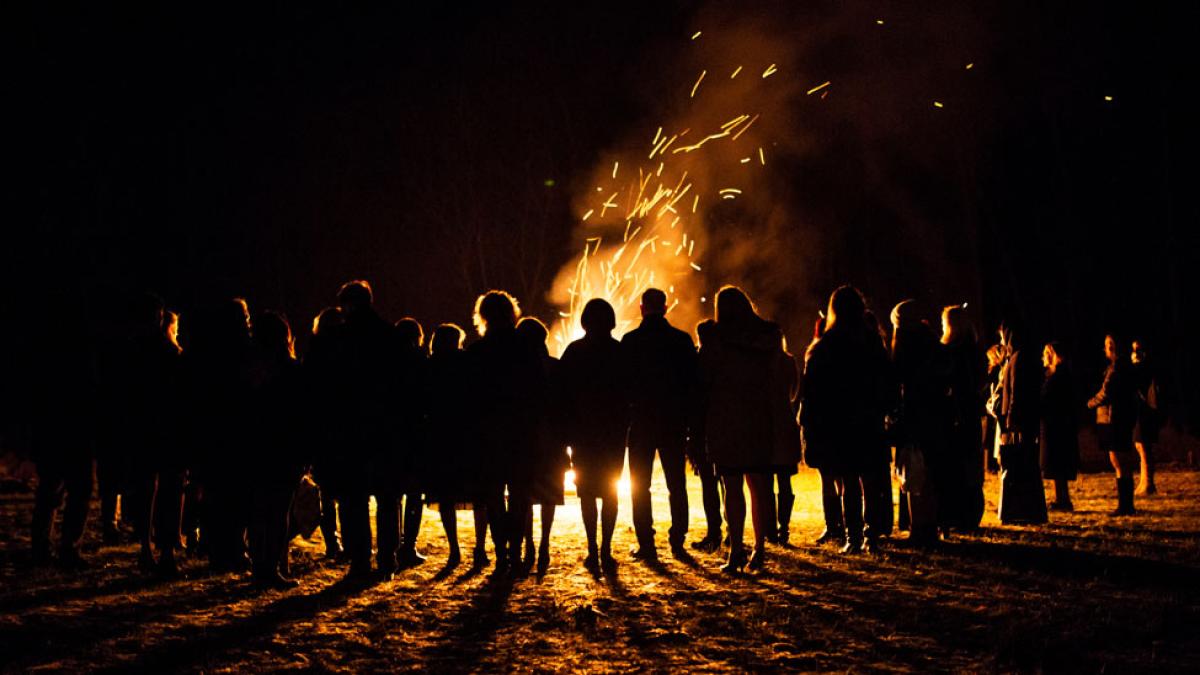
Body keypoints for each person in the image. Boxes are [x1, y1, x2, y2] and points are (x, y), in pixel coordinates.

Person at [700, 286, 796, 572]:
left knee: (732, 487)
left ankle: (735, 551)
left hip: (727, 419)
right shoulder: (769, 337)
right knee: (759, 487)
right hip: (759, 419)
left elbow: (705, 377)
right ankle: (759, 550)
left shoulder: (717, 339)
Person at [801, 286, 891, 554]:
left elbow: (813, 388)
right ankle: (871, 534)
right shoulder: (873, 342)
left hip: (840, 422)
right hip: (869, 419)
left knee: (850, 481)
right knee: (870, 479)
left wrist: (814, 420)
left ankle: (853, 536)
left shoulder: (826, 345)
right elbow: (886, 380)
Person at [466, 290, 544, 572]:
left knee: (494, 496)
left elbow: (469, 400)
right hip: (522, 433)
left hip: (488, 436)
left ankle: (501, 552)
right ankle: (515, 548)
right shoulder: (527, 350)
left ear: (483, 316)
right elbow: (538, 393)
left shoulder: (476, 353)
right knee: (520, 494)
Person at [329, 280, 403, 579]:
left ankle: (359, 560)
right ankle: (387, 559)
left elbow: (325, 387)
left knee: (352, 499)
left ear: (347, 305)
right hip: (385, 428)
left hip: (349, 430)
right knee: (387, 498)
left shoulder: (337, 339)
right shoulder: (391, 336)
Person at [621, 288, 697, 562]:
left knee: (639, 484)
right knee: (676, 483)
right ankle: (678, 538)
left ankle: (646, 542)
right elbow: (692, 384)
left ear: (642, 308)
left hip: (640, 422)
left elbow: (623, 386)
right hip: (673, 421)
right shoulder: (681, 340)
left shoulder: (630, 341)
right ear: (665, 308)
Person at [182, 297, 258, 573]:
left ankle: (216, 549)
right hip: (238, 431)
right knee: (238, 495)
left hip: (210, 432)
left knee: (215, 494)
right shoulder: (247, 350)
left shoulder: (205, 351)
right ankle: (235, 550)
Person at [559, 299, 626, 573]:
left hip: (582, 432)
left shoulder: (574, 351)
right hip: (612, 432)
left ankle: (592, 549)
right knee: (610, 491)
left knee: (586, 492)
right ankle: (606, 549)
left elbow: (560, 392)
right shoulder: (619, 351)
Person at [247, 311, 305, 589]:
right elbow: (302, 414)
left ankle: (259, 566)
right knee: (279, 510)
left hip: (256, 445)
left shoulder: (249, 368)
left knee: (258, 509)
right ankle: (270, 566)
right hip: (284, 447)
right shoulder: (291, 369)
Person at [424, 323, 478, 568]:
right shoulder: (468, 363)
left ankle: (454, 547)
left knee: (446, 495)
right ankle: (480, 547)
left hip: (439, 436)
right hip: (467, 435)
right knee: (478, 494)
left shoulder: (430, 365)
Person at [516, 317, 567, 575]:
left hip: (524, 440)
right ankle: (545, 542)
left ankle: (529, 545)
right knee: (549, 495)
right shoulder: (555, 367)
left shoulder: (515, 370)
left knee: (523, 495)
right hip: (552, 440)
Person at [890, 300, 943, 545]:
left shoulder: (905, 349)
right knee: (928, 473)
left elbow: (898, 383)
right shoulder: (934, 345)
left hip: (914, 418)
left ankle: (920, 528)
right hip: (934, 418)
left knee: (913, 474)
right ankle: (929, 525)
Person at [988, 319, 1047, 525]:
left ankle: (1024, 510)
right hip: (1022, 419)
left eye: (1003, 336)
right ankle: (1027, 510)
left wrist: (1012, 418)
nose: (1001, 340)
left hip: (1019, 421)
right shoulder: (1020, 356)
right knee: (1024, 465)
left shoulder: (1018, 358)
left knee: (1021, 465)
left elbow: (1017, 392)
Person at [939, 304, 986, 531]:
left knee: (960, 466)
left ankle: (962, 515)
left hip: (957, 416)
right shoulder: (972, 349)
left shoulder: (952, 352)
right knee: (970, 467)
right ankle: (969, 515)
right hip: (969, 415)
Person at [305, 307, 346, 560]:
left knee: (328, 490)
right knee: (342, 490)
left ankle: (333, 540)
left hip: (322, 428)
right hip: (339, 427)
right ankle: (339, 541)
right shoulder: (345, 352)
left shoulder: (314, 352)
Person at [1088, 335, 1138, 516]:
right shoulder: (1120, 366)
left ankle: (1125, 505)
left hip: (1114, 418)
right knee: (1120, 461)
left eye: (1110, 344)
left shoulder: (1117, 367)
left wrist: (1091, 403)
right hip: (1119, 418)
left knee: (1118, 460)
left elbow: (1106, 392)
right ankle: (1126, 504)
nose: (1106, 348)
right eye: (1105, 344)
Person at [394, 317, 430, 569]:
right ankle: (408, 546)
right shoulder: (421, 362)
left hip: (392, 435)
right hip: (416, 435)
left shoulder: (386, 363)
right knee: (414, 494)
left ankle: (393, 544)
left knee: (393, 494)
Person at [689, 319, 724, 552]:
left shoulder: (700, 361)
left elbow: (694, 399)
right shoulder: (726, 359)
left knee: (709, 485)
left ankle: (714, 532)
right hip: (725, 426)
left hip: (704, 429)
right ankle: (731, 531)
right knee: (728, 482)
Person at [1040, 342, 1079, 511]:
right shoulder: (1055, 374)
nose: (1044, 356)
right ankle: (1061, 497)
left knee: (1058, 462)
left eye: (1047, 353)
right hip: (1056, 424)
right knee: (1057, 464)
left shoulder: (1060, 375)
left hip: (1058, 425)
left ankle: (1063, 500)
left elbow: (1053, 398)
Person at [1130, 340, 1162, 496]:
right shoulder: (1145, 366)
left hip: (1146, 411)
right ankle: (1144, 482)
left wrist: (1134, 364)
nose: (1135, 351)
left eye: (1137, 348)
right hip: (1142, 411)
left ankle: (1148, 483)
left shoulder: (1144, 367)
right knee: (1140, 446)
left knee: (1144, 447)